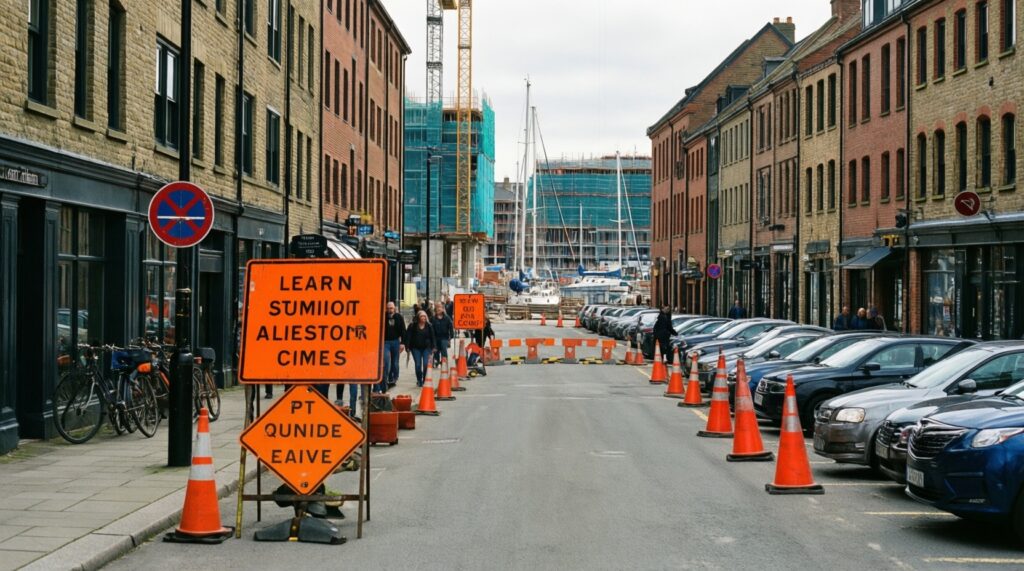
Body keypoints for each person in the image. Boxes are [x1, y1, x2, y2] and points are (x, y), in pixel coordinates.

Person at [404, 311, 436, 387]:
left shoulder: (429, 326)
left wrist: (434, 347)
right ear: (418, 317)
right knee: (418, 365)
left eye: (424, 316)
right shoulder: (412, 325)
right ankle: (419, 380)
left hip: (426, 348)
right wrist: (407, 347)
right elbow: (408, 337)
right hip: (415, 348)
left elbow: (433, 337)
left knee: (425, 364)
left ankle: (425, 379)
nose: (423, 318)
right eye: (422, 316)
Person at [382, 301, 405, 391]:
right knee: (386, 360)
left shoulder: (399, 317)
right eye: (388, 308)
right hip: (385, 342)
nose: (389, 310)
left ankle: (394, 378)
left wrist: (403, 343)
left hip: (395, 341)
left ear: (394, 308)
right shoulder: (383, 316)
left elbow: (403, 330)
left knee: (395, 362)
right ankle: (386, 378)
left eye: (391, 308)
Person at [431, 302, 455, 367]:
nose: (439, 309)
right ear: (435, 309)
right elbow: (430, 328)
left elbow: (451, 326)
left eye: (440, 307)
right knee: (436, 349)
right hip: (435, 337)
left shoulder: (447, 318)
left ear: (442, 309)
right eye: (437, 308)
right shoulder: (433, 318)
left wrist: (451, 335)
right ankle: (436, 361)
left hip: (445, 337)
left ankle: (444, 361)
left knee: (443, 347)